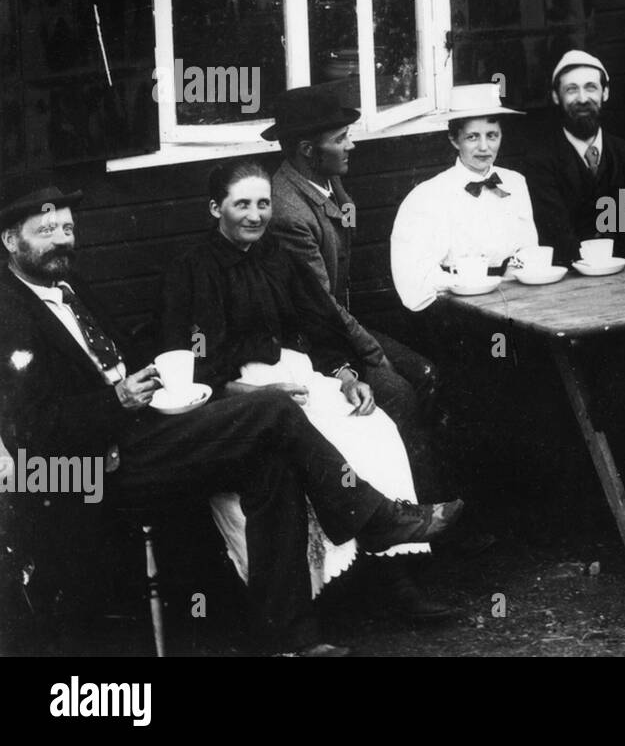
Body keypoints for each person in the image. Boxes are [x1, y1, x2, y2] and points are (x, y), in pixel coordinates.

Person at [0, 178, 456, 655]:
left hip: (147, 429)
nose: (61, 240)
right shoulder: (11, 312)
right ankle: (377, 518)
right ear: (11, 241)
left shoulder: (71, 287)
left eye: (67, 229)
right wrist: (118, 401)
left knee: (270, 461)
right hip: (98, 463)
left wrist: (162, 385)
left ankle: (291, 641)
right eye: (46, 230)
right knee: (273, 407)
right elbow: (30, 428)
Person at [159, 161, 461, 619]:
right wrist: (248, 392)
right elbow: (187, 358)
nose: (255, 215)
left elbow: (318, 325)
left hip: (298, 375)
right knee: (320, 440)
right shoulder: (192, 269)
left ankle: (393, 584)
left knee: (373, 427)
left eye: (263, 203)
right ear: (214, 207)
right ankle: (323, 596)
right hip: (234, 392)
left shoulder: (279, 256)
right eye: (242, 204)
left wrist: (345, 375)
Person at [264, 78, 445, 491]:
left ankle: (427, 497)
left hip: (341, 327)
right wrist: (372, 352)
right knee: (399, 394)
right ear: (309, 151)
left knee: (428, 374)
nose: (352, 146)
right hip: (312, 343)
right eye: (341, 138)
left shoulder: (324, 181)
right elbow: (321, 306)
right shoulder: (289, 212)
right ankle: (410, 521)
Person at [391, 100, 537, 312]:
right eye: (472, 137)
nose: (484, 147)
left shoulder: (515, 182)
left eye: (492, 135)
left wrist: (512, 276)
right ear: (454, 139)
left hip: (513, 297)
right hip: (455, 304)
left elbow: (527, 247)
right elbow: (414, 273)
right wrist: (467, 283)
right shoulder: (428, 195)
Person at [525, 50, 625, 266]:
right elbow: (556, 234)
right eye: (571, 89)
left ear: (605, 92)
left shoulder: (624, 153)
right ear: (556, 96)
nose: (582, 98)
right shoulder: (541, 160)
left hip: (623, 272)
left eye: (591, 87)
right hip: (568, 278)